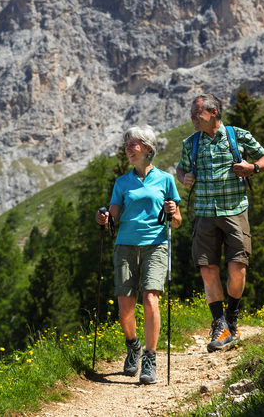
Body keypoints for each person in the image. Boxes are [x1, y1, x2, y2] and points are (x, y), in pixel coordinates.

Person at [176, 94, 264, 352]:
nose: (193, 117)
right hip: (204, 213)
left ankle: (232, 316)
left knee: (237, 268)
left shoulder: (237, 135)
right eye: (192, 113)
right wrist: (184, 177)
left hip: (234, 211)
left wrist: (253, 168)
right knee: (208, 269)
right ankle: (219, 324)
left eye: (197, 113)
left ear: (214, 112)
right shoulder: (190, 143)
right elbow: (180, 169)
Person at [96, 125, 181, 385]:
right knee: (125, 309)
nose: (128, 149)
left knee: (151, 298)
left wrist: (173, 210)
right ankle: (133, 345)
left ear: (147, 147)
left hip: (156, 245)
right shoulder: (122, 183)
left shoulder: (166, 180)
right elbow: (112, 220)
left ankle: (150, 357)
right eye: (127, 145)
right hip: (125, 245)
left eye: (133, 144)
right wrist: (104, 218)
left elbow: (177, 222)